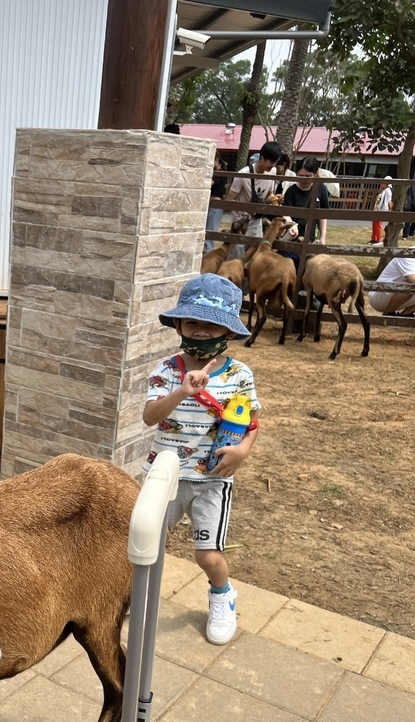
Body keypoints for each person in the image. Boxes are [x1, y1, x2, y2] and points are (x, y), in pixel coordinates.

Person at [142, 274, 260, 645]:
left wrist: (242, 451)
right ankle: (135, 597)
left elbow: (251, 422)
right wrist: (182, 390)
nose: (202, 332)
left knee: (207, 556)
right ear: (178, 324)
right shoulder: (166, 370)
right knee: (144, 543)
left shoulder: (240, 374)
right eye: (193, 322)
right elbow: (149, 416)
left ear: (228, 330)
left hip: (212, 481)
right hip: (163, 475)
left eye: (213, 325)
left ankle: (222, 596)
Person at [225, 140, 282, 259]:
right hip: (240, 222)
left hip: (257, 222)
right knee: (236, 258)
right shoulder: (243, 174)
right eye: (271, 162)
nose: (273, 166)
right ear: (262, 158)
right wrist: (247, 209)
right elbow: (230, 200)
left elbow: (268, 195)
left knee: (254, 257)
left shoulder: (272, 172)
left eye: (275, 163)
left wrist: (275, 198)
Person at [281, 157, 330, 247]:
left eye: (308, 176)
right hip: (292, 237)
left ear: (315, 174)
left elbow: (323, 215)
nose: (303, 179)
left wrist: (323, 237)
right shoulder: (291, 191)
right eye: (301, 175)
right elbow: (285, 213)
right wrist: (292, 225)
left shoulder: (321, 189)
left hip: (309, 238)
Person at [203, 153, 227, 253]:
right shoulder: (217, 173)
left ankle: (207, 256)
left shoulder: (220, 173)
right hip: (212, 205)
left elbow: (210, 183)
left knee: (210, 233)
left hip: (215, 205)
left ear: (217, 160)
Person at [371, 176, 393, 245]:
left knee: (378, 225)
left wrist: (383, 211)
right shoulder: (383, 190)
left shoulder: (388, 191)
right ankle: (374, 238)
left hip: (381, 210)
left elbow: (387, 202)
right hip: (378, 209)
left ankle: (378, 239)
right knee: (375, 224)